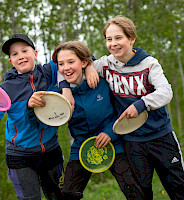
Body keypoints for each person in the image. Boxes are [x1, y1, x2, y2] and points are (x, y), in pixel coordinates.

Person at [81, 15, 184, 200]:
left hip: (161, 136)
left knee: (178, 188)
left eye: (118, 38)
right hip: (132, 140)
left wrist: (142, 104)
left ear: (131, 38)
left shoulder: (149, 63)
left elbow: (166, 92)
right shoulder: (105, 64)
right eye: (109, 39)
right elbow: (75, 66)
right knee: (141, 193)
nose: (113, 44)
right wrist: (89, 65)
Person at [50, 40, 145, 200]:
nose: (66, 67)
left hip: (113, 141)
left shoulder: (103, 82)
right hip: (81, 146)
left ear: (84, 62)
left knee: (133, 190)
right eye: (61, 64)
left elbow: (120, 111)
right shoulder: (58, 93)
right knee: (67, 194)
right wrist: (63, 87)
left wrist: (110, 133)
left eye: (71, 62)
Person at [0, 33, 72, 200]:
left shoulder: (49, 72)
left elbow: (73, 55)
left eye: (25, 50)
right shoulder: (6, 89)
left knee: (58, 196)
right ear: (11, 61)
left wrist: (85, 71)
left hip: (51, 150)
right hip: (20, 156)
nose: (21, 56)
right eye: (14, 54)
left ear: (35, 54)